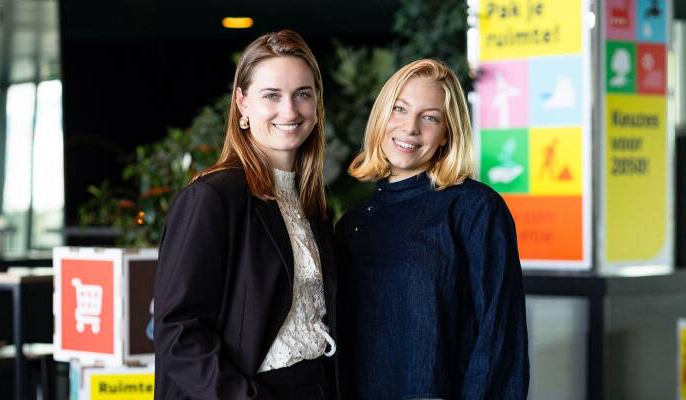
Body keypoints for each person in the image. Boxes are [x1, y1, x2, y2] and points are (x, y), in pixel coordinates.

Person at [154, 29, 337, 400]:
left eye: (302, 94)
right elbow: (178, 333)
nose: (290, 110)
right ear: (242, 103)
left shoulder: (313, 203)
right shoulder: (211, 198)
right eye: (272, 95)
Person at [335, 59, 529, 399]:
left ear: (446, 134)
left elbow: (500, 336)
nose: (410, 128)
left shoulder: (474, 209)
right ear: (380, 116)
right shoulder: (353, 223)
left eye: (430, 118)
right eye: (399, 109)